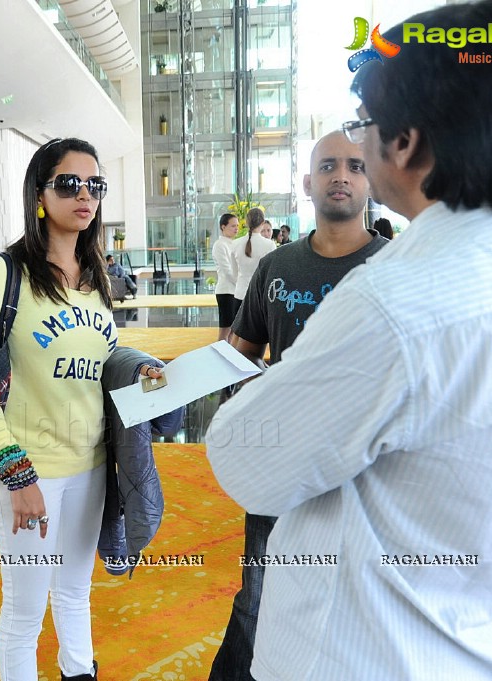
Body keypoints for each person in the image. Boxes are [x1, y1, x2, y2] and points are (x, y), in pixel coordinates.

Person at [207, 2, 492, 680]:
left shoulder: (397, 300)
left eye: (362, 125)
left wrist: (281, 378)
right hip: (486, 641)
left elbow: (245, 462)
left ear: (406, 140)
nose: (352, 152)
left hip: (362, 650)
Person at [0, 138, 131, 681]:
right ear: (39, 193)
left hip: (91, 466)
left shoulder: (97, 277)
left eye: (94, 184)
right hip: (30, 472)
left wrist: (139, 372)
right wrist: (14, 469)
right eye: (69, 183)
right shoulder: (7, 274)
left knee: (75, 594)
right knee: (25, 612)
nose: (85, 195)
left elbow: (103, 361)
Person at [208, 130, 387, 681]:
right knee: (257, 598)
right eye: (328, 166)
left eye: (355, 166)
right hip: (282, 464)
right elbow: (238, 356)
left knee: (362, 606)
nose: (341, 175)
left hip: (366, 472)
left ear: (370, 181)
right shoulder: (277, 266)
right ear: (308, 183)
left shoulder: (393, 266)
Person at [228, 208, 274, 307]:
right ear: (262, 223)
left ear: (247, 222)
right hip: (261, 296)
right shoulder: (269, 245)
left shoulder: (235, 244)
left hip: (240, 294)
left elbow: (234, 274)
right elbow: (272, 274)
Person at [212, 213, 239, 341]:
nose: (236, 229)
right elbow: (227, 269)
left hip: (235, 290)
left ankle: (230, 357)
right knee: (225, 331)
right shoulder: (219, 245)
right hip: (226, 291)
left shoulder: (234, 243)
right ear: (223, 227)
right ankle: (218, 358)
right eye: (233, 226)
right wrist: (240, 283)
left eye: (237, 226)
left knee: (234, 331)